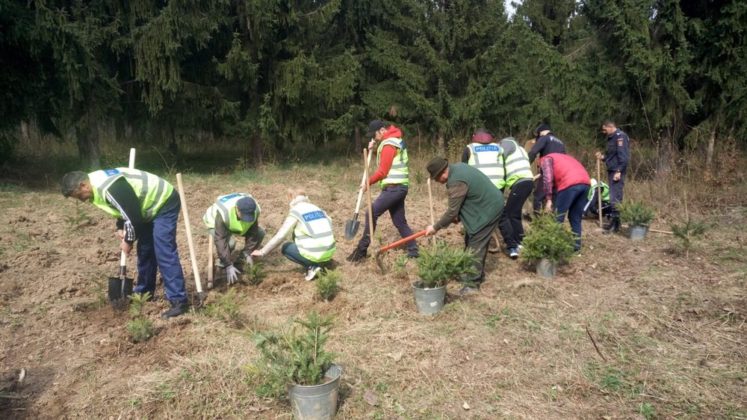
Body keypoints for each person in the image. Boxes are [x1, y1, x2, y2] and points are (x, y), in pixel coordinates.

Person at [61, 168, 189, 318]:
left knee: (163, 250)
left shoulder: (109, 187)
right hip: (143, 208)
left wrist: (128, 241)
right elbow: (124, 207)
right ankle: (144, 293)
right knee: (145, 250)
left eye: (79, 196)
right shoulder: (96, 186)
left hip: (163, 201)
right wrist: (120, 226)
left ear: (83, 185)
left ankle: (179, 301)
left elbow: (134, 218)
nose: (81, 200)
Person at [424, 157, 504, 295]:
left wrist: (435, 227)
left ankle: (472, 285)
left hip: (489, 209)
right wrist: (458, 216)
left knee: (476, 245)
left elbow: (451, 212)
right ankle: (472, 273)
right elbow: (467, 198)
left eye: (436, 178)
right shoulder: (458, 168)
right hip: (484, 205)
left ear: (442, 172)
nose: (437, 181)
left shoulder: (456, 181)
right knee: (470, 240)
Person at [347, 120, 418, 262]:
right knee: (400, 221)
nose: (374, 138)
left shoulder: (388, 145)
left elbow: (383, 171)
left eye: (374, 135)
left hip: (394, 188)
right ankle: (414, 250)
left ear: (381, 130)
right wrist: (373, 149)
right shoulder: (394, 140)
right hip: (399, 187)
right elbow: (388, 161)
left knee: (371, 212)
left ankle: (361, 250)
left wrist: (368, 183)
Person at [252, 190, 336, 281]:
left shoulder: (296, 211)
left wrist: (262, 252)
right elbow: (330, 224)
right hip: (329, 252)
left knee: (286, 247)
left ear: (291, 199)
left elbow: (281, 235)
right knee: (298, 232)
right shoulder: (318, 209)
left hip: (317, 254)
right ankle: (323, 263)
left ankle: (312, 266)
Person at [202, 193, 265, 284]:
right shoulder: (223, 213)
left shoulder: (254, 210)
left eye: (248, 217)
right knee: (230, 243)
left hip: (235, 225)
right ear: (237, 209)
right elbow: (221, 239)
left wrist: (247, 253)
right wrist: (228, 265)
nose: (246, 219)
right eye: (244, 216)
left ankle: (240, 262)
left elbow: (253, 232)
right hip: (215, 224)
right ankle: (221, 265)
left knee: (260, 233)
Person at [539, 153, 590, 251]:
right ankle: (576, 247)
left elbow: (548, 179)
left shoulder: (545, 160)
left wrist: (548, 199)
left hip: (569, 183)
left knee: (558, 217)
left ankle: (553, 248)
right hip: (586, 182)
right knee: (575, 216)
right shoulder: (563, 157)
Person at [498, 136, 535, 259]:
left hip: (520, 182)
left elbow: (499, 158)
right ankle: (520, 240)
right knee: (515, 213)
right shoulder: (521, 149)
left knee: (509, 213)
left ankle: (517, 242)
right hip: (527, 182)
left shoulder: (507, 143)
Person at [596, 120, 630, 233]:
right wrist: (602, 157)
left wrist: (619, 171)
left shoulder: (620, 137)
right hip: (611, 170)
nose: (604, 132)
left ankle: (615, 226)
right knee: (613, 198)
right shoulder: (611, 138)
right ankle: (614, 223)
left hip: (617, 171)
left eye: (604, 129)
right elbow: (611, 156)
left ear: (610, 127)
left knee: (615, 198)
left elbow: (623, 157)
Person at [528, 123, 566, 214]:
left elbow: (533, 152)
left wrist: (526, 164)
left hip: (547, 171)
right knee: (554, 196)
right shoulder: (561, 143)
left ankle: (537, 218)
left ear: (541, 132)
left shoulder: (544, 138)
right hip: (560, 172)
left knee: (538, 195)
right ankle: (552, 218)